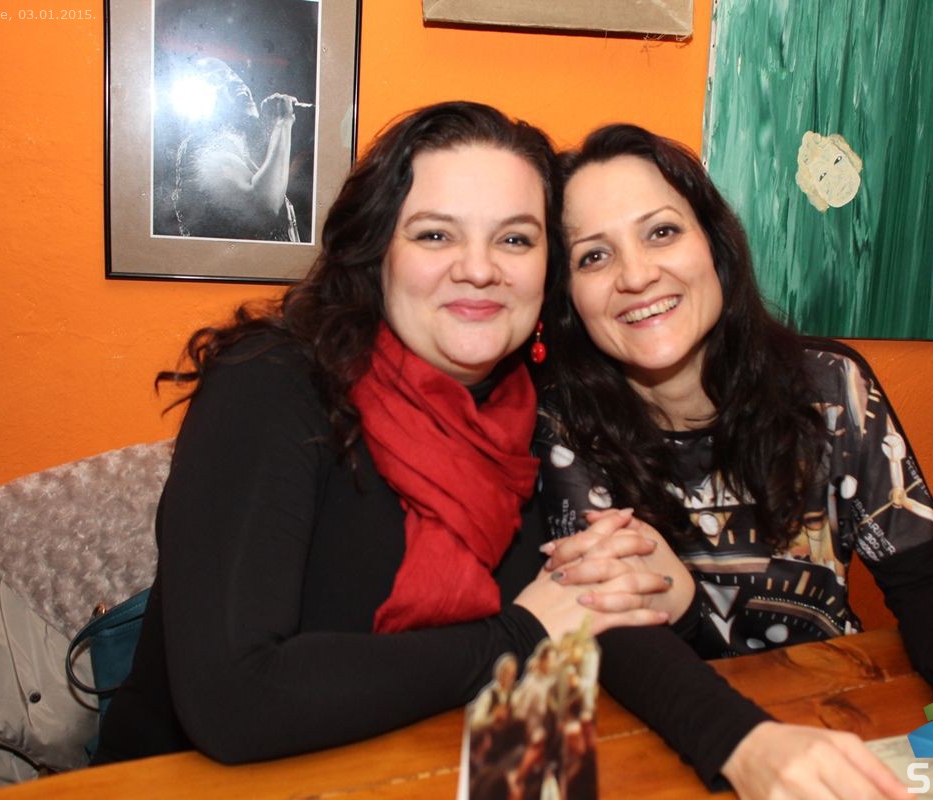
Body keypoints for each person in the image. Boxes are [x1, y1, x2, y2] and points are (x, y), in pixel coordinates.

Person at [93, 102, 702, 767]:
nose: (479, 269)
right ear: (376, 251)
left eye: (514, 239)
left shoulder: (545, 417)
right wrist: (520, 635)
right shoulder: (270, 385)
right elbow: (233, 701)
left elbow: (593, 630)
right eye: (436, 235)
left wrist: (680, 606)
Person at [534, 124, 933, 800]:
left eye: (662, 232)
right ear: (567, 295)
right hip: (673, 747)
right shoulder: (559, 423)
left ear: (715, 244)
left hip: (843, 716)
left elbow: (926, 576)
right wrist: (686, 612)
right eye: (593, 256)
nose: (636, 275)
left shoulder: (831, 386)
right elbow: (611, 641)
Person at [171, 56, 302, 242]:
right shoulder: (205, 147)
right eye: (216, 79)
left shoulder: (239, 153)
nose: (236, 82)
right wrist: (283, 123)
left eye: (233, 75)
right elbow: (264, 206)